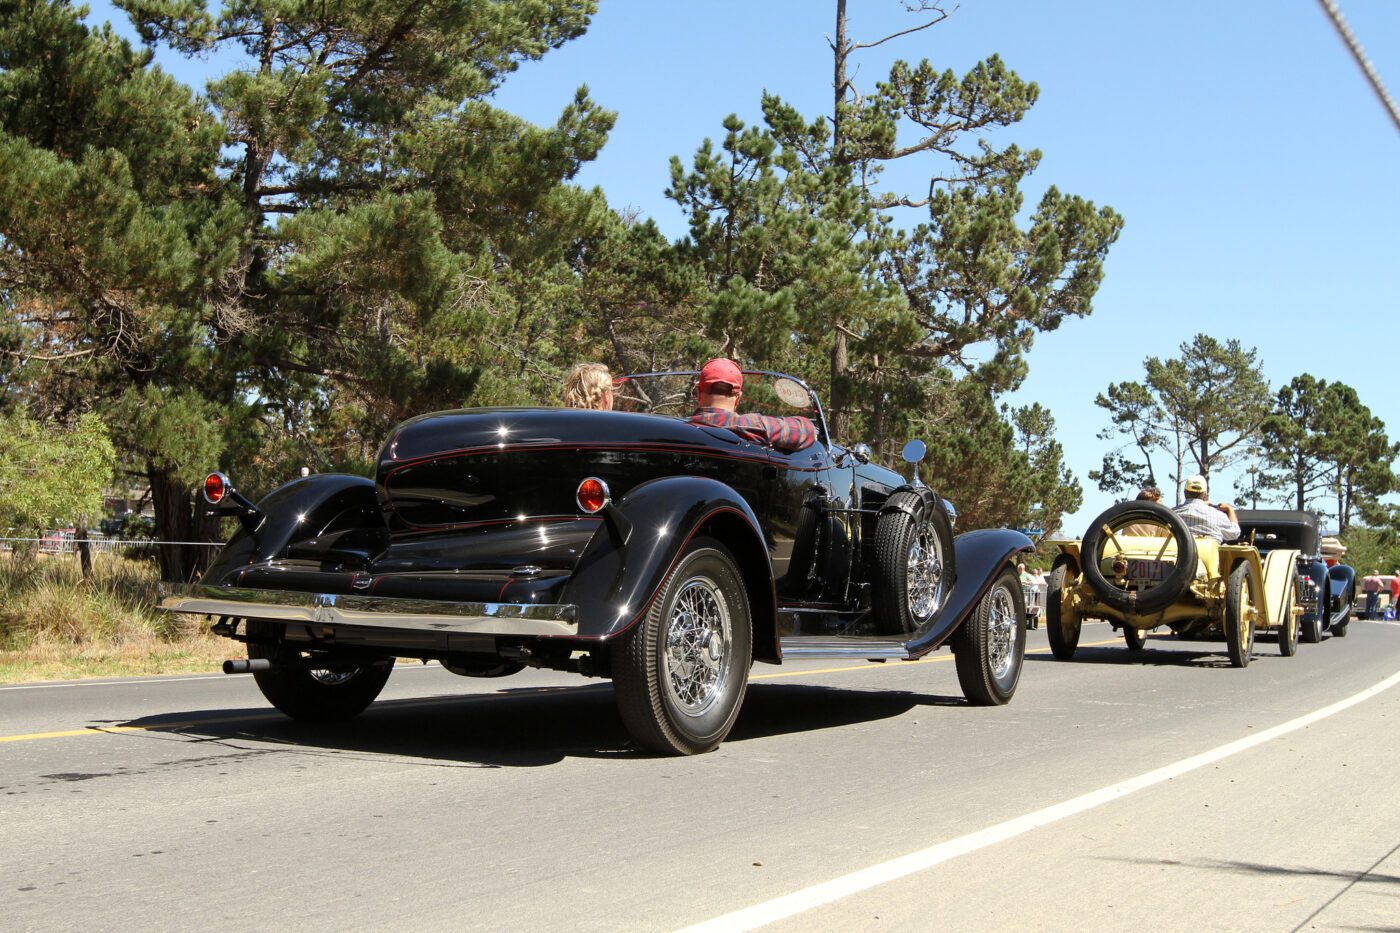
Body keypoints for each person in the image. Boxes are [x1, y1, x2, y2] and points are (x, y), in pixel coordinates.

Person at [688, 358, 816, 453]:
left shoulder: (682, 428)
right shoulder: (750, 425)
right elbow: (805, 430)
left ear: (698, 393)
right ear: (738, 398)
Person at [1171, 474, 1240, 543]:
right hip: (1208, 550)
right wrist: (1230, 509)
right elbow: (1235, 533)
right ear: (1205, 495)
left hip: (1179, 550)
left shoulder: (1171, 514)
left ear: (1185, 492)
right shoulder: (1218, 516)